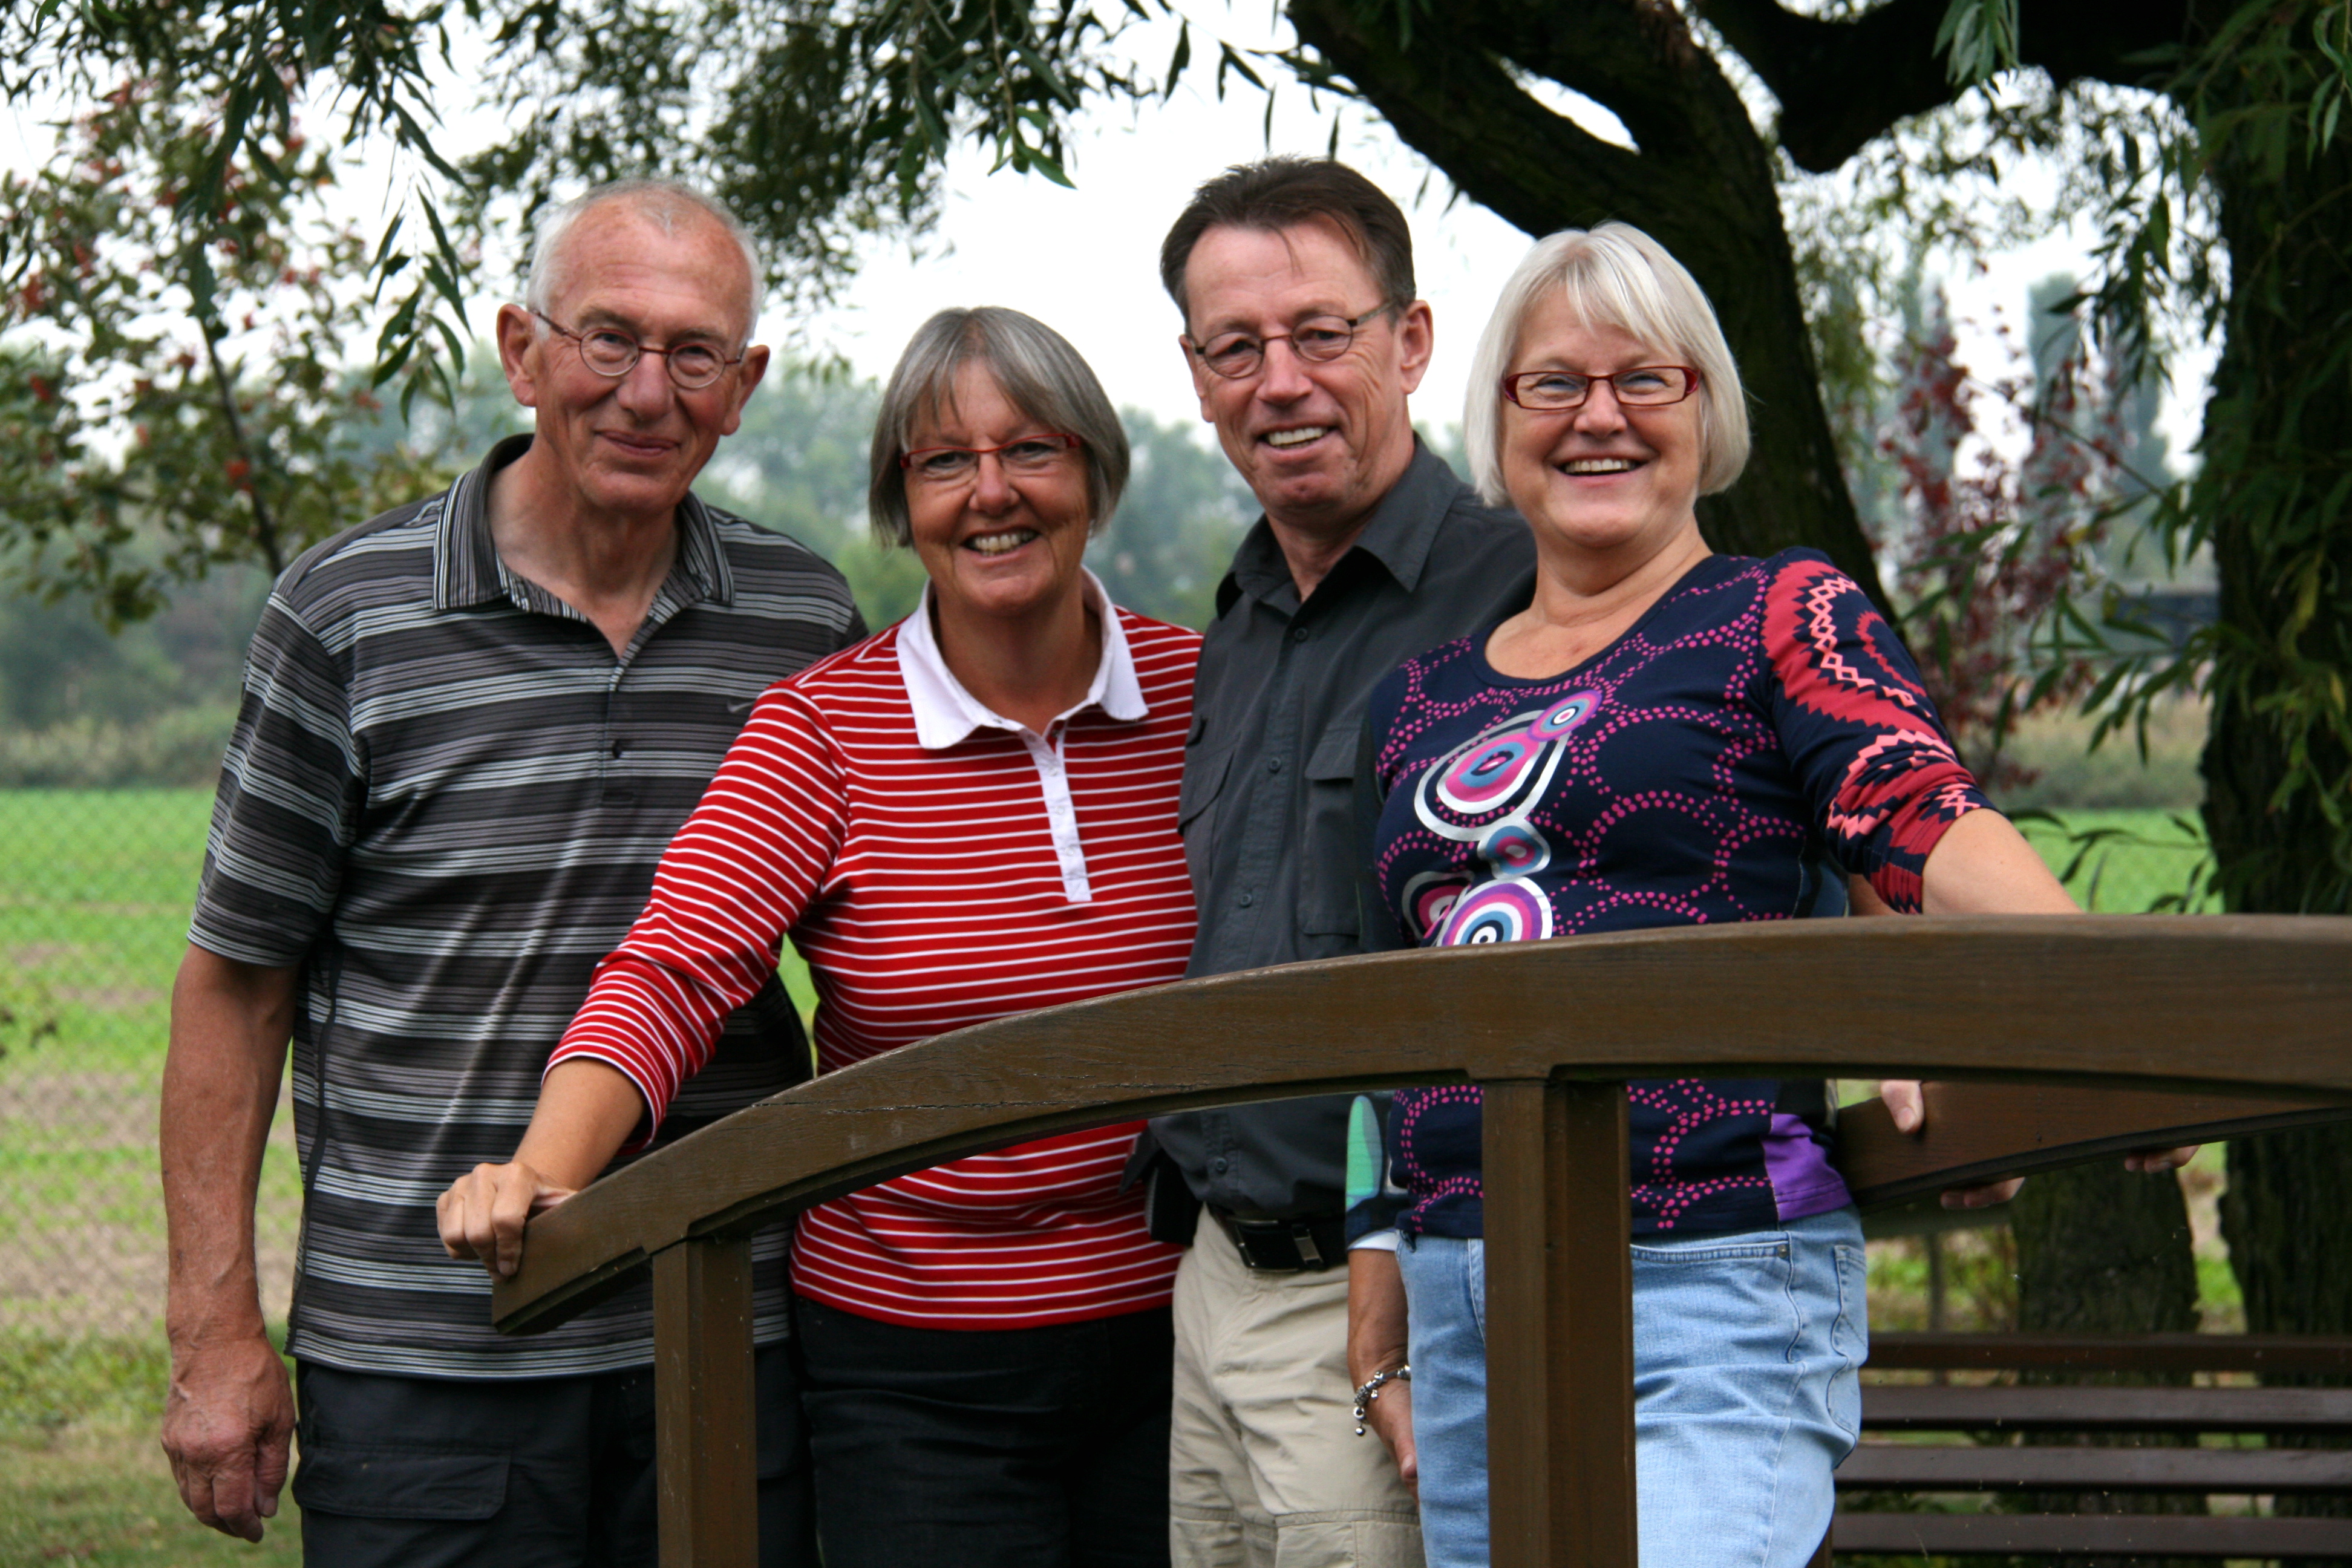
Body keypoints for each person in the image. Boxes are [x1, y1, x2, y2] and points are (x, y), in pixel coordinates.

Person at [1345, 221, 2197, 1568]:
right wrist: (1378, 1285)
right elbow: (1381, 1019)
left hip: (1712, 1260)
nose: (1599, 417)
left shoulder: (1774, 612)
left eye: (1647, 378)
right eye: (1554, 382)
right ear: (1498, 416)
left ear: (1708, 410)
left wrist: (2112, 1007)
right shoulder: (1414, 701)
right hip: (1467, 1290)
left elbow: (1916, 812)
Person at [157, 178, 864, 1565]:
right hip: (423, 1358)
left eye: (695, 354)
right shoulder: (348, 613)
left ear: (745, 388)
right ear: (521, 349)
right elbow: (237, 987)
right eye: (608, 339)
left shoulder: (801, 619)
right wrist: (214, 1332)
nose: (647, 392)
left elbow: (879, 953)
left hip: (722, 1329)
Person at [439, 306, 1202, 1568]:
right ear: (902, 500)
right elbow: (675, 969)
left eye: (1033, 450)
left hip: (1183, 1329)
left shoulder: (1202, 694)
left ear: (1097, 473)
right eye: (944, 461)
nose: (992, 493)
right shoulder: (823, 729)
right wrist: (541, 1173)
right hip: (915, 1367)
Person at [1135, 156, 1536, 1568]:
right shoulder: (1239, 619)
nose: (1281, 383)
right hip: (1212, 1281)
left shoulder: (1522, 591)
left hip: (1396, 1286)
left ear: (1411, 341)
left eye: (1322, 333)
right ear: (1195, 376)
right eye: (1236, 348)